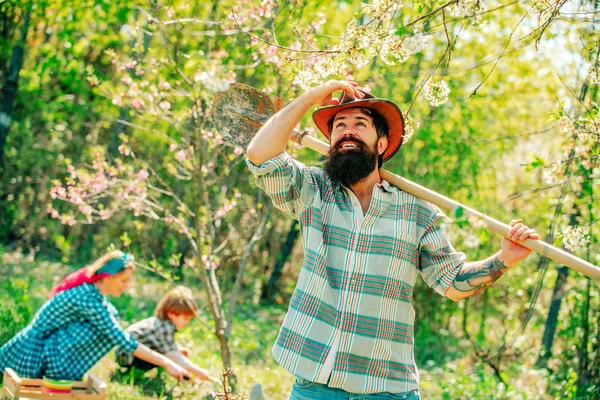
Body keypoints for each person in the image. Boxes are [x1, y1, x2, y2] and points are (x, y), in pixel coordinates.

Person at [245, 80, 541, 399]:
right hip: (315, 385)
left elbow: (453, 283)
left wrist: (504, 259)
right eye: (339, 125)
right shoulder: (313, 190)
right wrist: (312, 97)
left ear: (382, 144)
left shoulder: (418, 211)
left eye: (360, 124)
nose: (348, 131)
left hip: (387, 389)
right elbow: (261, 155)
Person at [0, 250, 190, 382]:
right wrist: (167, 362)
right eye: (123, 280)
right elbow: (124, 340)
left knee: (111, 317)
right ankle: (58, 373)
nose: (126, 286)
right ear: (108, 277)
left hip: (42, 346)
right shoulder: (88, 299)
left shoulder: (93, 294)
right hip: (31, 354)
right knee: (107, 329)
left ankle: (62, 371)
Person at [115, 286, 220, 384]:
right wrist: (198, 371)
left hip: (124, 353)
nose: (187, 322)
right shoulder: (165, 327)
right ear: (171, 314)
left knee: (174, 354)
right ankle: (135, 373)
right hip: (128, 356)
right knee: (171, 356)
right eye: (185, 318)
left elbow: (163, 344)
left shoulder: (160, 323)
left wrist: (177, 351)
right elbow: (171, 354)